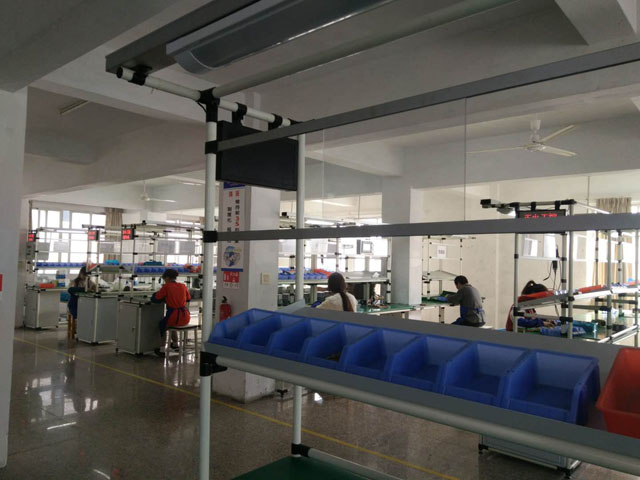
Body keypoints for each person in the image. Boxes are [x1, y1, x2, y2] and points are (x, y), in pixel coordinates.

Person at [151, 268, 191, 357]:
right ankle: (175, 344)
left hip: (174, 315)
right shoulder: (183, 286)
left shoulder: (166, 287)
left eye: (165, 279)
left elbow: (156, 299)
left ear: (167, 278)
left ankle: (162, 349)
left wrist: (159, 296)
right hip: (185, 316)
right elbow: (188, 299)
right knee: (171, 324)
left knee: (163, 324)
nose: (165, 281)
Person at [67, 267, 96, 340]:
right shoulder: (75, 282)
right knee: (79, 316)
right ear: (80, 273)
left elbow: (95, 288)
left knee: (91, 315)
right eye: (84, 275)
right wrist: (84, 289)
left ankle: (86, 331)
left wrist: (96, 288)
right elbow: (70, 289)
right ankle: (80, 332)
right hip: (74, 305)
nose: (85, 277)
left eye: (87, 275)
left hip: (85, 304)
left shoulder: (90, 282)